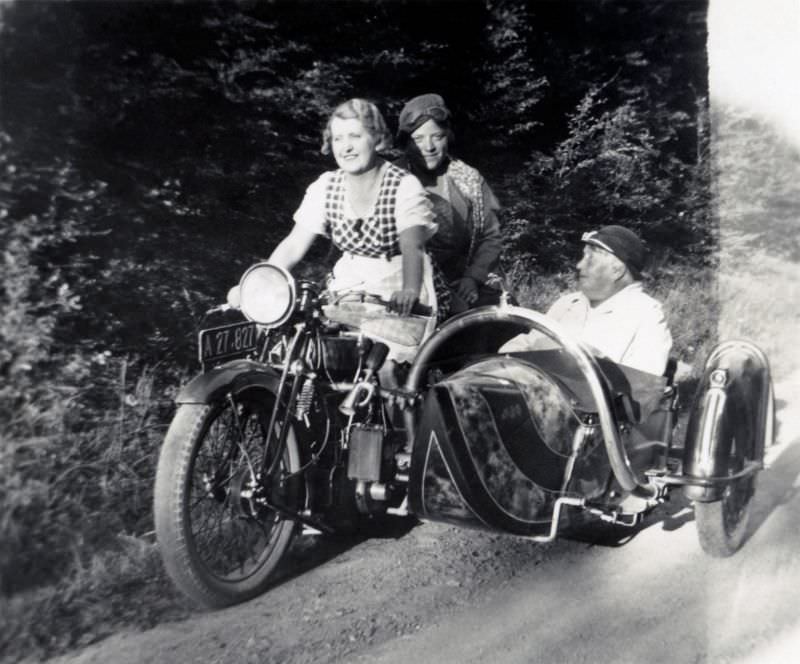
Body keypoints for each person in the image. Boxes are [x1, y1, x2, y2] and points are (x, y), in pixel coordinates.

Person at [230, 98, 438, 361]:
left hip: (397, 284)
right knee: (307, 351)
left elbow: (413, 246)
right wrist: (261, 285)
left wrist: (408, 290)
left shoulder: (403, 186)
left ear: (376, 139)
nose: (346, 147)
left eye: (355, 136)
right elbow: (294, 244)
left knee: (386, 367)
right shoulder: (327, 186)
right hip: (350, 285)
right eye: (338, 139)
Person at [501, 225, 672, 376]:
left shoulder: (646, 315)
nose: (579, 265)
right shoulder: (568, 303)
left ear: (617, 270)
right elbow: (526, 343)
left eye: (590, 260)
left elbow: (642, 388)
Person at [395, 93, 504, 317]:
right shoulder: (392, 179)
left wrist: (473, 277)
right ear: (407, 142)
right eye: (419, 139)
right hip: (404, 282)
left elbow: (491, 236)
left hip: (461, 282)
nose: (429, 146)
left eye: (437, 136)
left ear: (448, 136)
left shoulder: (469, 179)